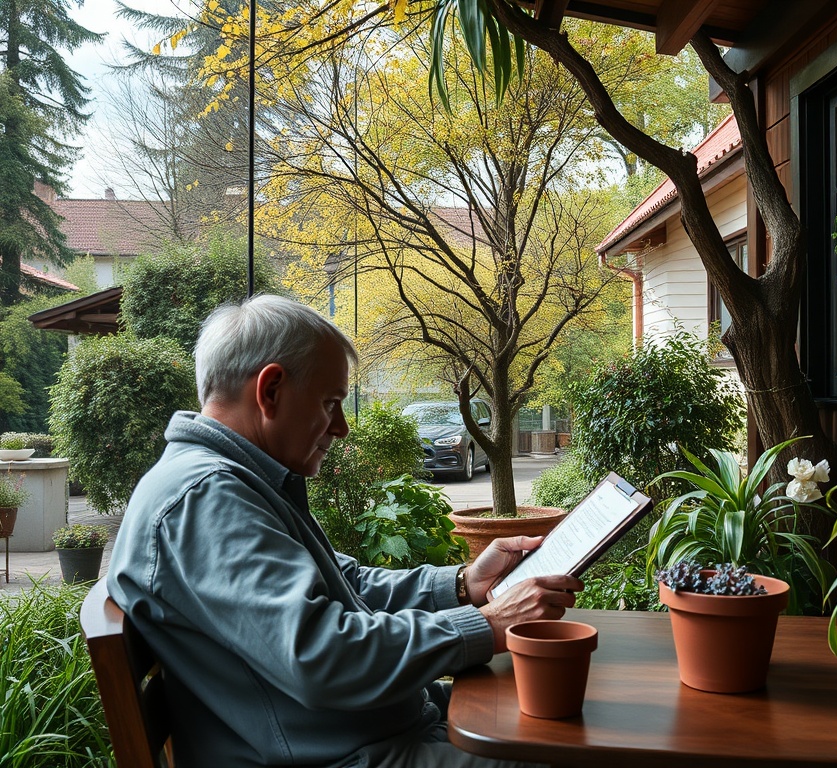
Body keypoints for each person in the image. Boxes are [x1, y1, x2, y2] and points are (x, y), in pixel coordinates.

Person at [107, 294, 583, 768]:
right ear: (269, 391)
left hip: (371, 734)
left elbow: (347, 584)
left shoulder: (236, 481)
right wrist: (486, 625)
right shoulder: (206, 500)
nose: (342, 426)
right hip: (349, 755)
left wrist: (463, 585)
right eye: (330, 402)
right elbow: (320, 656)